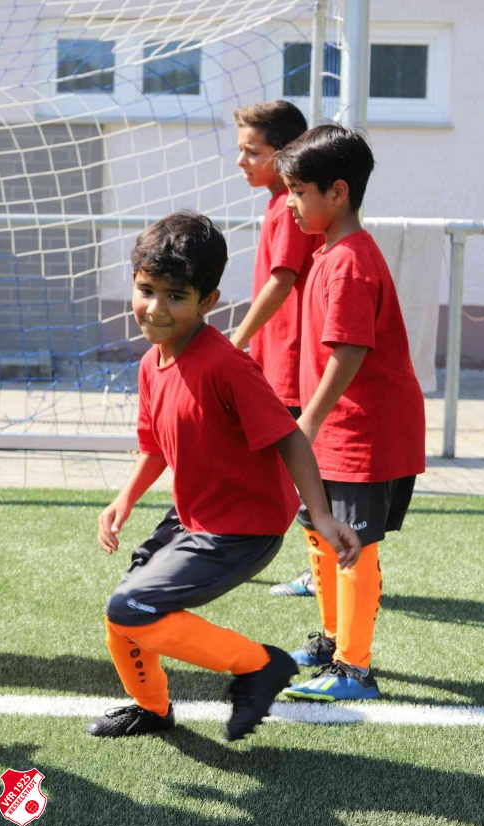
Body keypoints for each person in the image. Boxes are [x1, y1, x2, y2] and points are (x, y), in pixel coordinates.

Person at [89, 211, 359, 742]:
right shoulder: (151, 364)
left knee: (131, 607)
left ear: (207, 301)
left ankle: (261, 665)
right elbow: (155, 446)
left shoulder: (226, 365)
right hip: (194, 517)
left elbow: (290, 437)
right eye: (146, 290)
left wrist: (322, 517)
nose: (155, 308)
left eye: (175, 296)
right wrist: (124, 500)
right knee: (125, 607)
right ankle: (152, 708)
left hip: (242, 528)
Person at [275, 125, 426, 701]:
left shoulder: (349, 262)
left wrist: (306, 422)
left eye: (298, 192)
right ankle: (332, 642)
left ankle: (354, 670)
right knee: (319, 531)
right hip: (333, 434)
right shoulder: (329, 254)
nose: (289, 204)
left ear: (337, 192)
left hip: (364, 434)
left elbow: (350, 350)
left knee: (350, 544)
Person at [229, 100, 327, 599]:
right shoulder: (277, 203)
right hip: (275, 362)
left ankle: (322, 569)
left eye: (252, 151)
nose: (241, 161)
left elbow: (282, 280)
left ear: (283, 152)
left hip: (292, 365)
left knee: (304, 471)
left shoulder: (290, 207)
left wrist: (237, 338)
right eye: (241, 150)